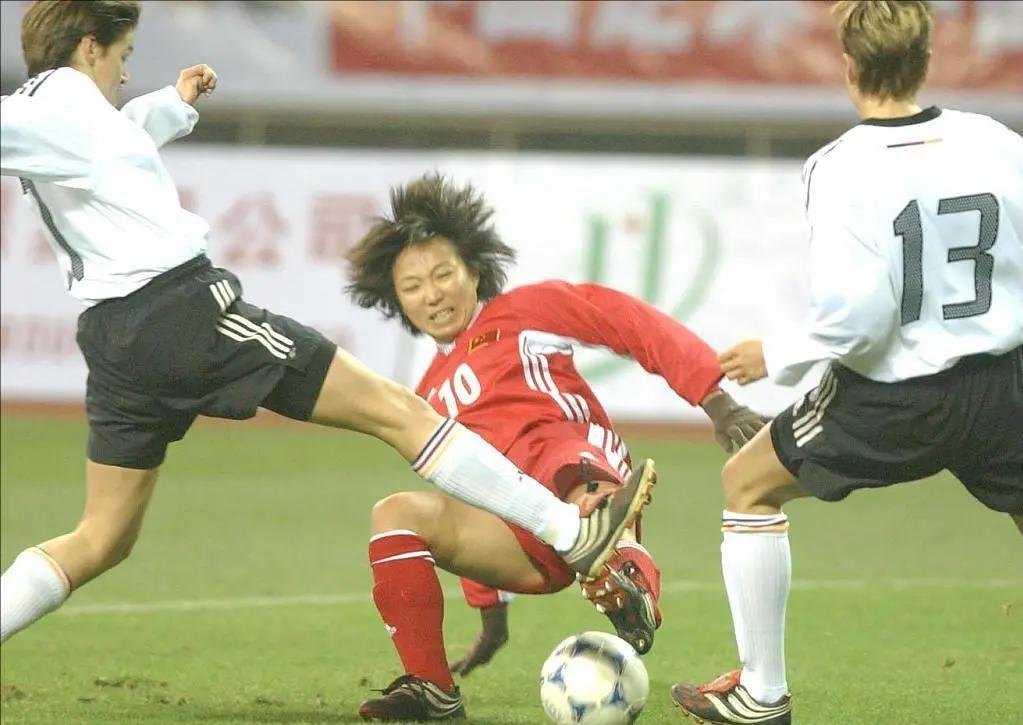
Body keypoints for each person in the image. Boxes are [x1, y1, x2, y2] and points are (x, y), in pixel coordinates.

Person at [0, 0, 652, 647]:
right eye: (123, 55)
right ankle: (571, 531)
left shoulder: (72, 119)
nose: (123, 72)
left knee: (101, 537)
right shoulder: (58, 104)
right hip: (183, 314)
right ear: (89, 46)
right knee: (400, 412)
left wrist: (173, 102)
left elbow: (111, 142)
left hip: (115, 339)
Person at [669, 2, 1023, 723]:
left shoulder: (839, 167)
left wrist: (775, 353)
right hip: (1001, 387)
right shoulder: (995, 141)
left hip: (897, 398)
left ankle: (762, 694)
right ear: (925, 62)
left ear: (849, 67)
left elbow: (860, 321)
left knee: (747, 484)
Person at [344, 173, 769, 721]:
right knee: (395, 512)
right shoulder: (425, 397)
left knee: (562, 464)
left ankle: (628, 580)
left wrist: (715, 399)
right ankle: (431, 688)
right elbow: (468, 488)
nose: (433, 294)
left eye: (444, 274)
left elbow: (630, 323)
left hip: (580, 475)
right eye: (412, 286)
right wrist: (491, 615)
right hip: (518, 539)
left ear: (474, 270)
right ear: (397, 301)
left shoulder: (525, 311)